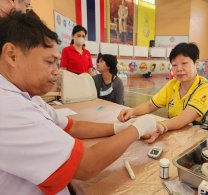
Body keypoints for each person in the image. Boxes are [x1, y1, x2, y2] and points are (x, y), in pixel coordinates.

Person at [0, 12, 158, 195]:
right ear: (12, 56)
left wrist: (118, 128)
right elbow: (86, 165)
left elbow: (71, 126)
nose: (56, 71)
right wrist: (138, 128)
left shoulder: (27, 96)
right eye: (49, 62)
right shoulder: (8, 109)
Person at [118, 43, 208, 143]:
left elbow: (186, 117)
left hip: (203, 138)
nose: (179, 69)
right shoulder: (172, 85)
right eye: (174, 65)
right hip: (178, 133)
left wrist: (163, 125)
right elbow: (150, 105)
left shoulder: (205, 87)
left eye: (184, 63)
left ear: (196, 64)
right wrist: (132, 111)